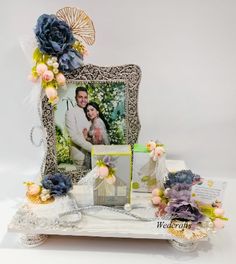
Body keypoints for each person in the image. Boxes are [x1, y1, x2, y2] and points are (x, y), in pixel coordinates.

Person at [65, 87, 92, 169]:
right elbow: (73, 136)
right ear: (75, 98)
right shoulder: (70, 113)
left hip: (92, 155)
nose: (83, 100)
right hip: (80, 156)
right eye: (80, 97)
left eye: (85, 97)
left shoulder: (89, 111)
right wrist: (92, 148)